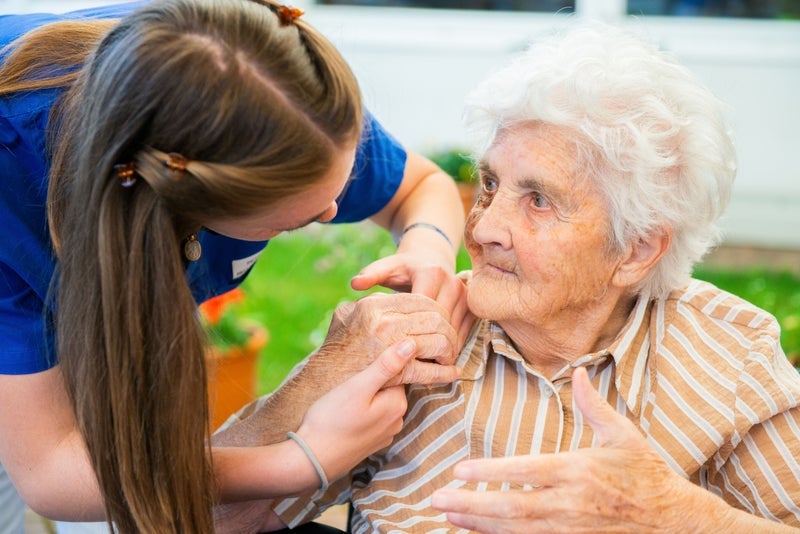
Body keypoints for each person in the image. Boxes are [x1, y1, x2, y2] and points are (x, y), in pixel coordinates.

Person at [212, 20, 800, 532]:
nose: (484, 226)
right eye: (489, 184)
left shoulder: (730, 355)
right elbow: (197, 520)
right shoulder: (410, 345)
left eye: (539, 200)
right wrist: (326, 371)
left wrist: (677, 519)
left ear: (636, 250)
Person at [0, 1, 470, 532]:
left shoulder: (276, 97)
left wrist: (426, 248)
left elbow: (422, 187)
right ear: (182, 203)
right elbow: (48, 471)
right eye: (293, 223)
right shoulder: (14, 193)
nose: (333, 212)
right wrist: (299, 459)